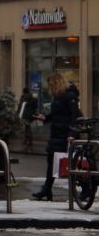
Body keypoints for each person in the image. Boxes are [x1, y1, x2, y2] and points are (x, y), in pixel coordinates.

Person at [32, 72, 80, 201]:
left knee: (73, 163)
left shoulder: (70, 96)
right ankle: (47, 190)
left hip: (65, 135)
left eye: (51, 85)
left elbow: (74, 116)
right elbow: (56, 114)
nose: (50, 88)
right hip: (57, 134)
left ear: (57, 83)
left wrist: (72, 134)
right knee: (52, 162)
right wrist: (45, 118)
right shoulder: (58, 97)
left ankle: (86, 189)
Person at [18, 87, 36, 154]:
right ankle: (27, 140)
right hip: (30, 116)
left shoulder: (23, 97)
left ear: (23, 91)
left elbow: (20, 106)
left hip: (24, 115)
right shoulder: (32, 98)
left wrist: (18, 113)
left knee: (27, 127)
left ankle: (28, 140)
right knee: (27, 127)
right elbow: (35, 107)